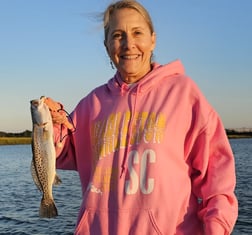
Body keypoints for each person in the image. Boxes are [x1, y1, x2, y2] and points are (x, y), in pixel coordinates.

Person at [46, 0, 238, 234]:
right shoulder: (91, 104)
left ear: (153, 39)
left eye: (137, 33)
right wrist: (51, 126)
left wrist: (216, 228)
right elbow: (63, 154)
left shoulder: (183, 94)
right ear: (107, 45)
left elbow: (217, 179)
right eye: (118, 35)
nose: (129, 44)